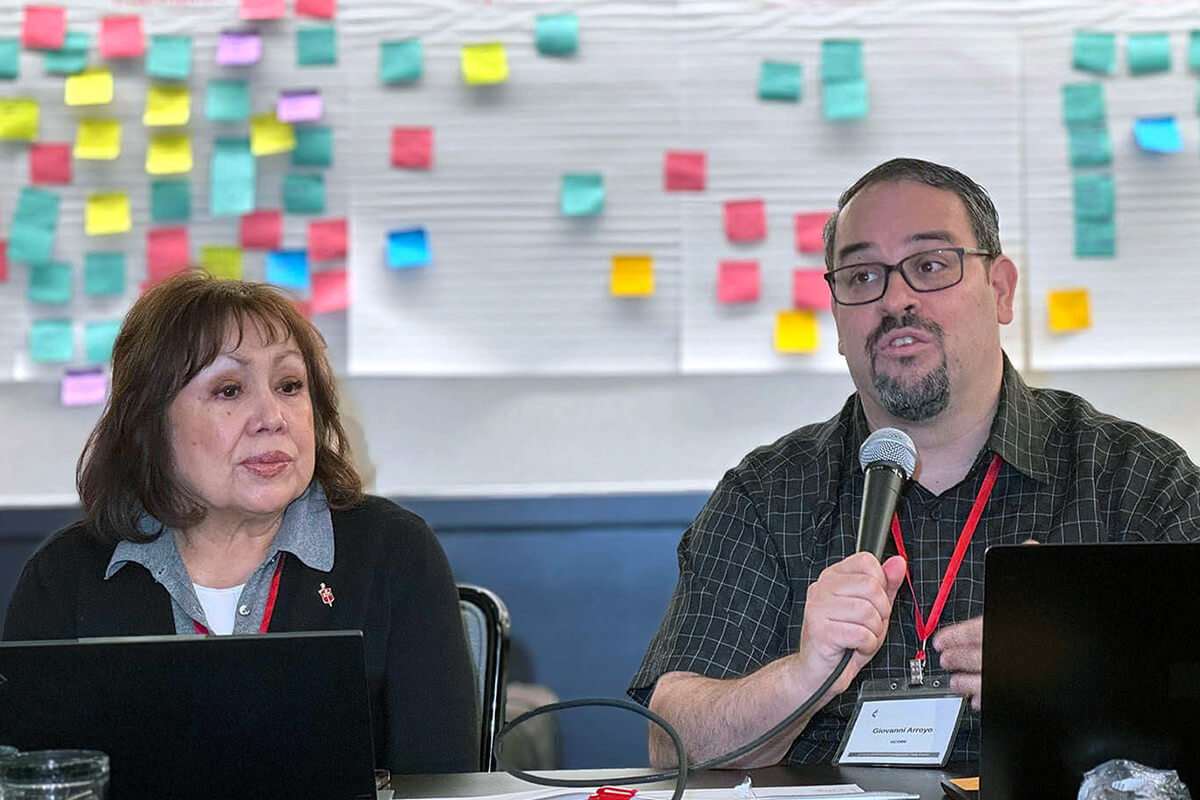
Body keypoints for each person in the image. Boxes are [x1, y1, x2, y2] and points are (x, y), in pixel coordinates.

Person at [628, 158, 1200, 768]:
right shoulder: (767, 495)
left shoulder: (1135, 480)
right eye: (862, 275)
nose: (895, 298)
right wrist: (802, 678)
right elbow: (671, 741)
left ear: (1000, 290)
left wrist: (1091, 675)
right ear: (838, 317)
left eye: (929, 266)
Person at [2, 273, 478, 775]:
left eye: (290, 386)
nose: (272, 417)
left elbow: (442, 783)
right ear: (150, 422)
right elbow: (30, 782)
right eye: (229, 390)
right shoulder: (64, 578)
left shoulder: (392, 553)